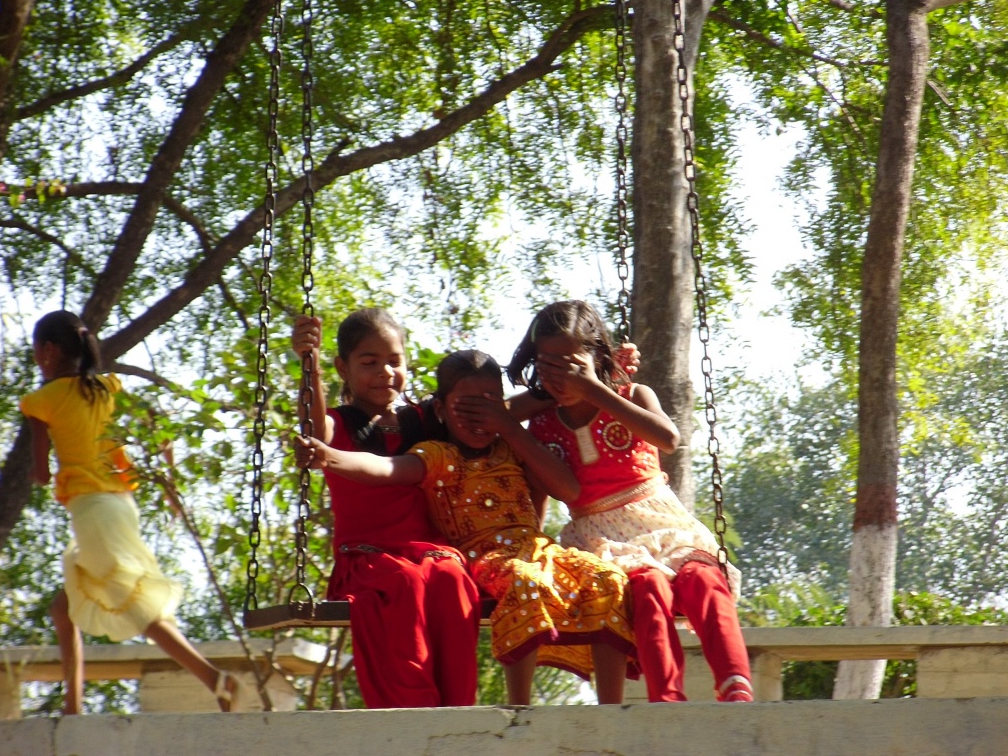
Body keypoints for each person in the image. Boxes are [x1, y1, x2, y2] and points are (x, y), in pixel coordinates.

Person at [294, 349, 636, 705]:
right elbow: (385, 468)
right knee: (526, 581)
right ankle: (520, 708)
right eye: (467, 406)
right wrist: (329, 457)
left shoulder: (512, 448)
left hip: (538, 549)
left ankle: (610, 708)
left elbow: (566, 487)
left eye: (490, 403)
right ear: (441, 411)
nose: (480, 415)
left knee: (608, 579)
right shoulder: (438, 456)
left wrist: (605, 374)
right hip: (487, 557)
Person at [502, 300, 754, 703]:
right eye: (549, 366)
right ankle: (666, 699)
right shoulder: (543, 425)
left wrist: (594, 389)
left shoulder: (632, 394)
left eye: (571, 365)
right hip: (601, 537)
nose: (561, 376)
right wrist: (551, 392)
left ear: (597, 357)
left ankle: (735, 683)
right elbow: (507, 424)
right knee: (648, 590)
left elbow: (668, 439)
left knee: (704, 581)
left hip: (661, 522)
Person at [20, 310, 241, 715]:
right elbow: (159, 426)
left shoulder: (41, 401)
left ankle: (214, 679)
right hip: (121, 506)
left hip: (92, 511)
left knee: (134, 604)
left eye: (36, 351)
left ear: (48, 351)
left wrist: (50, 467)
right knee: (63, 609)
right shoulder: (108, 386)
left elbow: (40, 472)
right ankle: (73, 706)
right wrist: (170, 485)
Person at [292, 310, 479, 708]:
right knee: (403, 583)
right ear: (343, 368)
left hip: (429, 552)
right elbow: (314, 432)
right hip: (370, 557)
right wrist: (309, 362)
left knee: (452, 576)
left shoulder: (426, 419)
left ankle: (458, 710)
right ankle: (413, 711)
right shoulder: (339, 423)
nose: (385, 372)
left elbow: (489, 411)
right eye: (369, 362)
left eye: (395, 361)